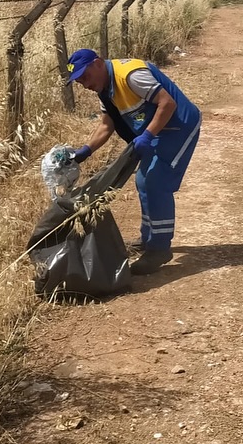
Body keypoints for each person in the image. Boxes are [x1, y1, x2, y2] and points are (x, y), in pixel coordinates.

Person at [65, 48, 201, 275]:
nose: (84, 84)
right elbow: (107, 125)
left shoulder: (130, 75)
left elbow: (167, 104)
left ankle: (159, 249)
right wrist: (85, 152)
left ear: (98, 64)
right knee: (143, 180)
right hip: (158, 130)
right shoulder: (104, 88)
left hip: (179, 127)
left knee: (156, 181)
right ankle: (148, 239)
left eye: (85, 76)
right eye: (79, 81)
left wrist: (147, 136)